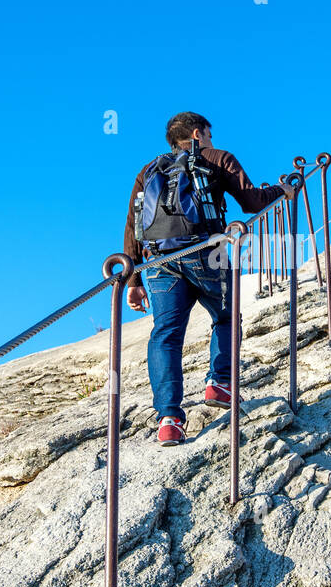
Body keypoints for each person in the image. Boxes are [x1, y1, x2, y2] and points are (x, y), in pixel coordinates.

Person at [124, 112, 293, 446]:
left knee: (166, 334)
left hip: (159, 261)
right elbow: (251, 201)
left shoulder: (149, 169)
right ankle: (219, 382)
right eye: (210, 136)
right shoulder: (217, 158)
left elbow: (133, 223)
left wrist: (133, 280)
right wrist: (282, 190)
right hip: (207, 252)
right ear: (198, 134)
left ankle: (169, 419)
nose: (213, 142)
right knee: (226, 317)